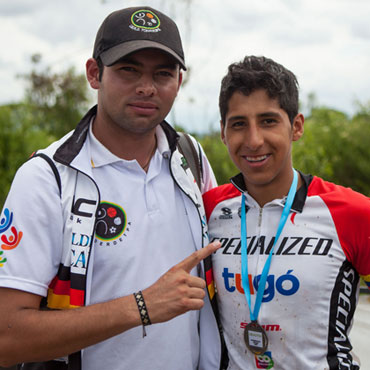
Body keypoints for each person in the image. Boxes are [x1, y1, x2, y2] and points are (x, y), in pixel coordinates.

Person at [0, 6, 224, 370]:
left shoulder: (191, 158)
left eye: (162, 73)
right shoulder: (47, 178)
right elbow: (5, 338)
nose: (147, 87)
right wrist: (141, 306)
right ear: (94, 73)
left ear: (179, 82)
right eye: (128, 69)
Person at [203, 55, 370, 369]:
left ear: (296, 126)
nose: (253, 141)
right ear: (223, 133)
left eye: (268, 121)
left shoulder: (353, 213)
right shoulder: (208, 209)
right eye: (239, 124)